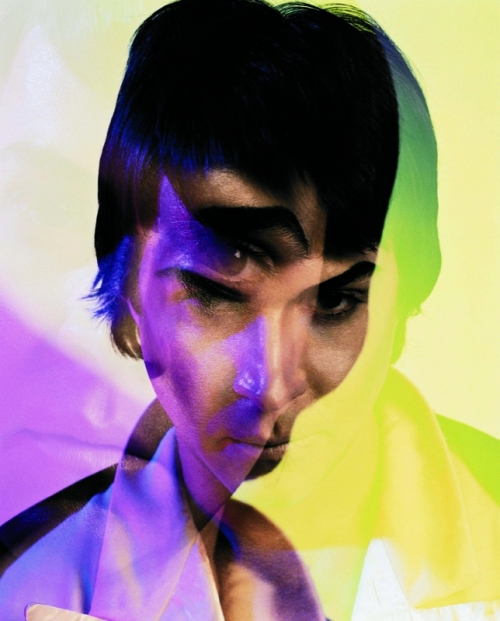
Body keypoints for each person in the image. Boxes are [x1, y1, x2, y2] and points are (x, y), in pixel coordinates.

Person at [1, 0, 499, 619]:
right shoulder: (23, 583)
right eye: (214, 293)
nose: (269, 383)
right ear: (130, 297)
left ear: (409, 293)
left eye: (334, 301)